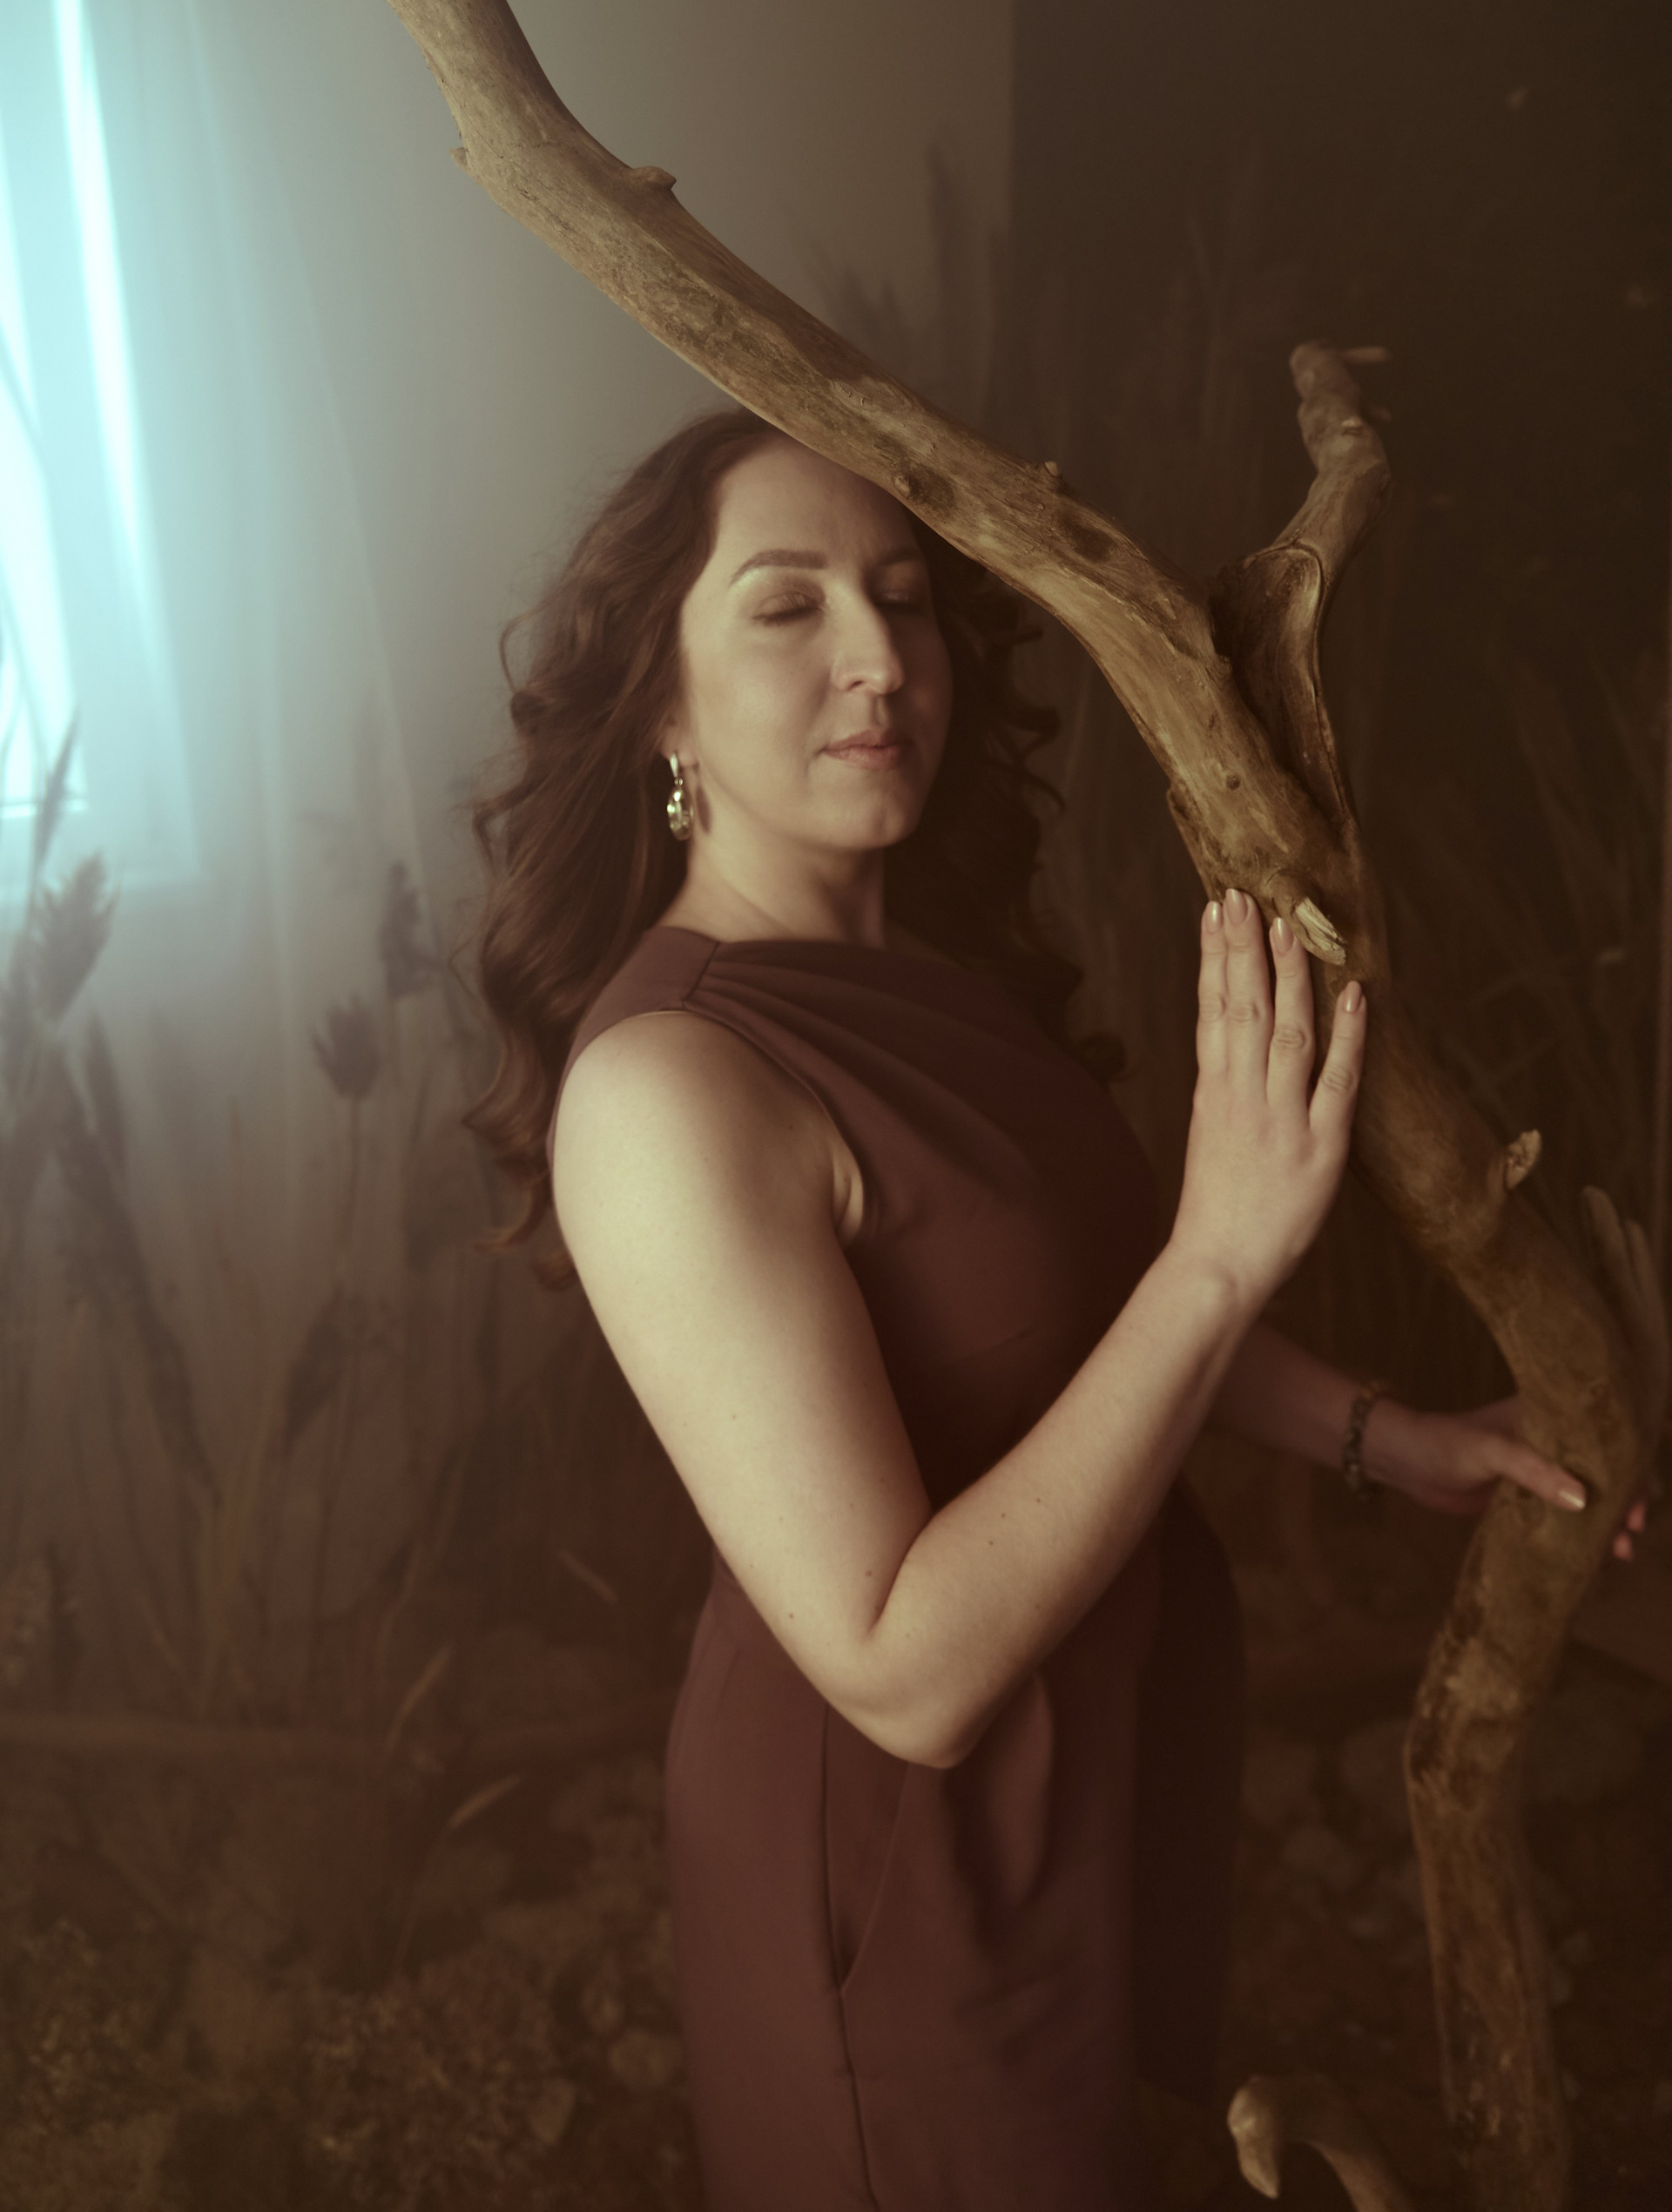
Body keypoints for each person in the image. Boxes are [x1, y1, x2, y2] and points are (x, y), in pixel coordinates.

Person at [466, 404, 1642, 2212]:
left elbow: (1086, 1312)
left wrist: (1385, 1436)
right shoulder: (667, 1089)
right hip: (898, 1875)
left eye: (904, 594)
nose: (880, 656)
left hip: (1081, 1784)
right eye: (786, 606)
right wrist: (1224, 1251)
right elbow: (903, 1671)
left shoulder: (934, 974)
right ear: (661, 709)